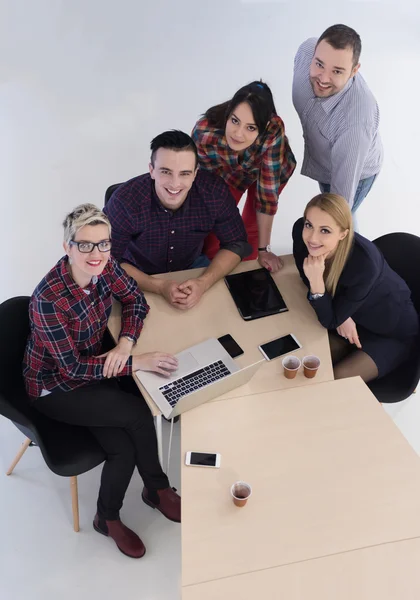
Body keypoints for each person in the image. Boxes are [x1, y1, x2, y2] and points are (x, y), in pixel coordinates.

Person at [23, 204, 181, 559]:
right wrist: (136, 362)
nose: (96, 254)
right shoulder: (48, 300)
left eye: (104, 244)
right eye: (85, 245)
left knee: (122, 448)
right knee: (137, 412)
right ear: (68, 247)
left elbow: (135, 301)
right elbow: (73, 370)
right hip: (54, 386)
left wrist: (125, 343)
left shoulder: (106, 267)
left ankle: (110, 515)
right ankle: (152, 491)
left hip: (96, 369)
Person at [104, 130, 252, 310]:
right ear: (151, 170)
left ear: (196, 173)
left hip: (192, 267)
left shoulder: (214, 192)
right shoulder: (125, 201)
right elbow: (107, 260)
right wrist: (159, 286)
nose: (175, 184)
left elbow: (236, 243)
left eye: (184, 173)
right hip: (137, 272)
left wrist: (203, 282)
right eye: (166, 172)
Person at [292, 194, 419, 383]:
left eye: (325, 230)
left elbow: (328, 318)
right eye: (309, 225)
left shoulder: (364, 265)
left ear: (343, 233)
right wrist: (343, 315)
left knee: (335, 381)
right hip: (351, 319)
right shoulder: (300, 233)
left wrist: (318, 283)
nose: (312, 238)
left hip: (391, 333)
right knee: (303, 358)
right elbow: (305, 276)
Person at [192, 81, 296, 273]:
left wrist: (264, 250)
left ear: (263, 127)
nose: (238, 134)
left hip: (269, 172)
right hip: (228, 172)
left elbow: (266, 197)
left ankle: (245, 271)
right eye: (235, 121)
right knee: (217, 222)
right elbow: (205, 191)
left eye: (251, 128)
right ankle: (214, 269)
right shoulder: (205, 134)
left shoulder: (273, 130)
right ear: (228, 113)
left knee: (251, 225)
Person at [292, 24, 383, 215]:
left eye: (337, 71)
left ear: (354, 70)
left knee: (339, 221)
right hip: (326, 159)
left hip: (355, 174)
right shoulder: (306, 50)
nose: (323, 79)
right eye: (319, 64)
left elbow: (339, 206)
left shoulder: (356, 121)